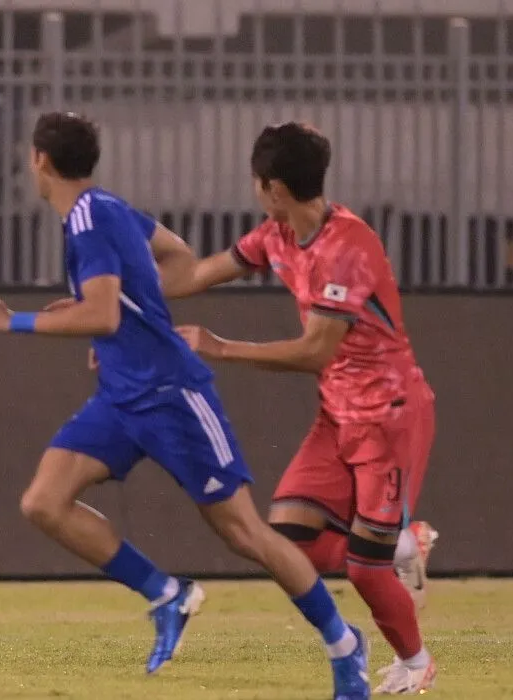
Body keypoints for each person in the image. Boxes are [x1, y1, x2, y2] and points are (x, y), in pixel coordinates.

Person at [0, 112, 370, 699]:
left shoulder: (88, 221)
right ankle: (168, 595)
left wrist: (15, 320)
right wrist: (122, 322)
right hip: (121, 394)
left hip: (171, 395)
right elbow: (176, 257)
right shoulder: (105, 208)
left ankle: (345, 645)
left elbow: (105, 311)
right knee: (44, 501)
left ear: (40, 162)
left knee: (246, 534)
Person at [169, 121, 437, 694]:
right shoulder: (277, 234)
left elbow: (317, 350)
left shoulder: (349, 246)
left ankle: (416, 663)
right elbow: (195, 274)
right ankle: (403, 542)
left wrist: (222, 348)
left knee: (366, 570)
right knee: (288, 544)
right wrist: (122, 275)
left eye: (257, 181)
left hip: (388, 415)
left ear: (274, 188)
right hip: (336, 414)